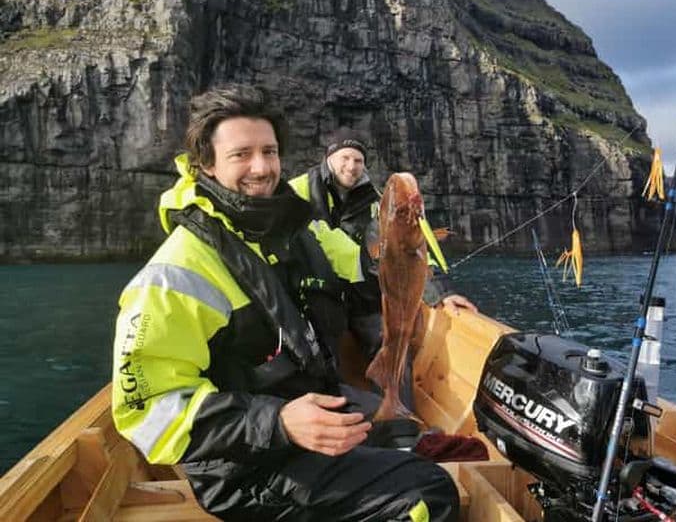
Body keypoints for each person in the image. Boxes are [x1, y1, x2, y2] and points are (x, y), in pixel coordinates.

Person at [111, 84, 459, 521]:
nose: (261, 167)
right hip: (244, 467)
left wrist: (425, 266)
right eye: (241, 154)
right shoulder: (174, 275)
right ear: (207, 164)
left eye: (269, 152)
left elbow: (373, 265)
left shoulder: (299, 230)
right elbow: (146, 410)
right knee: (429, 494)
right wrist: (278, 422)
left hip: (312, 412)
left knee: (406, 434)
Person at [289, 129, 476, 389]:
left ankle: (397, 404)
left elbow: (411, 250)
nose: (351, 166)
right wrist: (369, 260)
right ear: (328, 157)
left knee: (391, 344)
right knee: (318, 357)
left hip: (363, 297)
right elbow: (320, 241)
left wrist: (441, 292)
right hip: (314, 295)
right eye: (345, 158)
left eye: (358, 160)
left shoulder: (379, 203)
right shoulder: (296, 191)